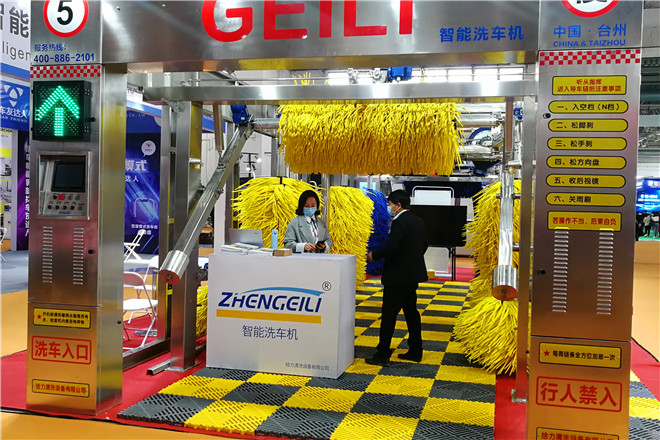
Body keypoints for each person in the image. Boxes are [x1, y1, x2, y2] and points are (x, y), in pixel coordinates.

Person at [365, 190, 428, 365]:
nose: (389, 207)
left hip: (397, 277)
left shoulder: (399, 222)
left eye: (390, 204)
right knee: (411, 313)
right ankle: (416, 350)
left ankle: (382, 353)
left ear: (398, 205)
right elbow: (424, 244)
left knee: (389, 315)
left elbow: (392, 247)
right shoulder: (419, 221)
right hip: (412, 276)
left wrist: (374, 255)